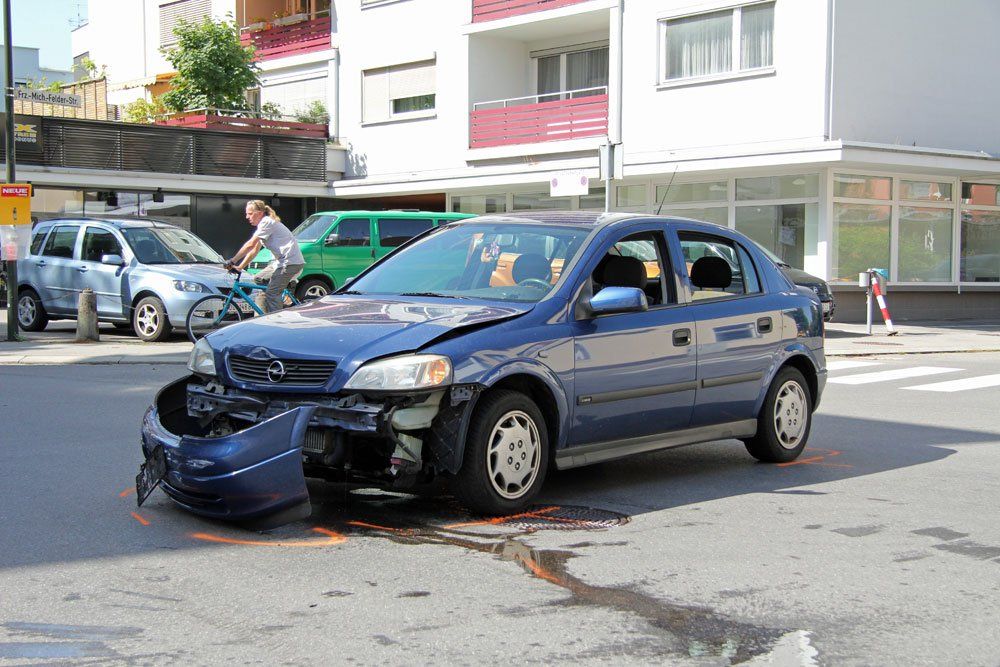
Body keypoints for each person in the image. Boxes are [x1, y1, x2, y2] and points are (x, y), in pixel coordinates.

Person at [226, 200, 305, 314]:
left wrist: (232, 260)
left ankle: (276, 321)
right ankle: (263, 316)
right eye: (247, 214)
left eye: (250, 213)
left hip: (290, 263)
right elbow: (254, 250)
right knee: (258, 279)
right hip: (280, 263)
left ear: (259, 213)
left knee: (272, 293)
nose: (247, 217)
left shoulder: (267, 222)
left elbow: (250, 244)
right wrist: (240, 267)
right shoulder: (262, 226)